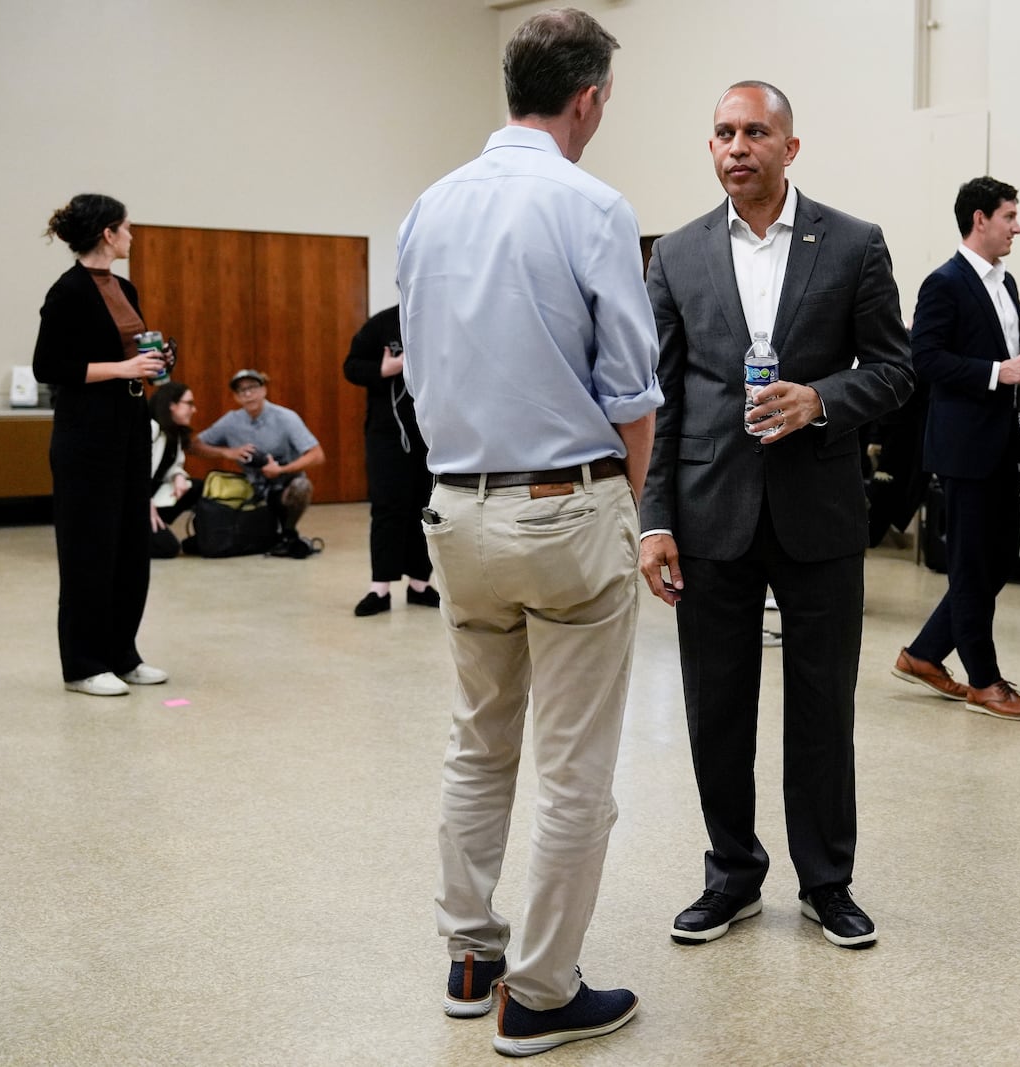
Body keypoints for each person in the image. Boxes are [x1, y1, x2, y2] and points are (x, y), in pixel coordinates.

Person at [395, 8, 661, 1058]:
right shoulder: (590, 204)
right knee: (573, 766)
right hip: (566, 505)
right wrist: (628, 508)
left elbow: (415, 360)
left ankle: (471, 954)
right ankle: (542, 992)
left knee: (478, 738)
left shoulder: (430, 204)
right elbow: (631, 390)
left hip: (456, 507)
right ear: (587, 98)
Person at [639, 81, 912, 951]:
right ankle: (732, 875)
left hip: (819, 513)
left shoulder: (855, 244)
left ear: (790, 148)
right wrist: (653, 521)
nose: (737, 146)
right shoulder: (676, 255)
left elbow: (897, 370)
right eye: (722, 132)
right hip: (709, 510)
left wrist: (822, 400)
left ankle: (828, 883)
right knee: (715, 706)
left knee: (823, 705)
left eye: (755, 131)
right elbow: (664, 400)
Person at [892, 176, 1020, 723]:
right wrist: (995, 373)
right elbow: (925, 359)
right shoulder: (945, 283)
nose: (1017, 226)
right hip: (965, 450)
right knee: (972, 568)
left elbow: (1012, 352)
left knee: (996, 562)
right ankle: (984, 681)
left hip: (1008, 447)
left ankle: (924, 653)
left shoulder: (1005, 284)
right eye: (1009, 215)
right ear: (979, 219)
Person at [32, 194, 170, 697]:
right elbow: (50, 367)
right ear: (108, 234)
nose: (132, 236)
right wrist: (124, 369)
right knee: (89, 547)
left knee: (131, 544)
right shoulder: (67, 291)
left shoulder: (125, 286)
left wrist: (154, 357)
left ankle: (122, 654)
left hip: (128, 423)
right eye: (127, 228)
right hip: (85, 433)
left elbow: (130, 348)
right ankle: (84, 665)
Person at [342, 306, 438, 616]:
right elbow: (351, 367)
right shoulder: (382, 323)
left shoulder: (440, 317)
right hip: (387, 434)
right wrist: (385, 370)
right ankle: (379, 588)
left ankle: (420, 584)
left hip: (433, 434)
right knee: (387, 507)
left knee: (425, 508)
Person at [195, 369, 325, 558]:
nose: (248, 394)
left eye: (253, 388)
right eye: (241, 391)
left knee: (301, 486)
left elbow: (317, 455)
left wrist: (281, 469)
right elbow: (194, 445)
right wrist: (226, 452)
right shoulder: (231, 421)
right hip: (251, 489)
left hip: (283, 486)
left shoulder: (286, 418)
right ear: (236, 397)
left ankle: (288, 531)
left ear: (264, 390)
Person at [147, 381, 203, 558]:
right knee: (168, 548)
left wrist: (178, 475)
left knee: (196, 486)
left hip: (152, 497)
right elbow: (126, 474)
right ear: (171, 405)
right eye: (189, 404)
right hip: (130, 501)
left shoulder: (174, 432)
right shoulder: (149, 428)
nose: (193, 410)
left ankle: (202, 536)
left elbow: (174, 465)